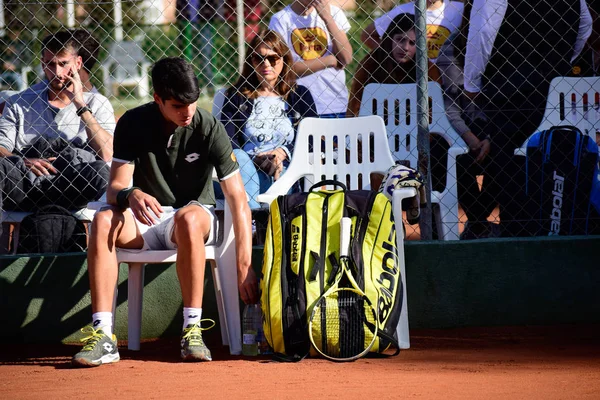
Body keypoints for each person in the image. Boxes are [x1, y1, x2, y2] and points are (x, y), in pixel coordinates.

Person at [72, 57, 258, 367]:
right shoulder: (132, 122)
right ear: (158, 98)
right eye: (177, 105)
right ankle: (104, 336)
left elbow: (238, 198)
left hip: (192, 219)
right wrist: (131, 194)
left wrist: (244, 264)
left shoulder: (209, 126)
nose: (187, 112)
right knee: (103, 219)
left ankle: (192, 331)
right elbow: (115, 188)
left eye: (193, 103)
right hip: (145, 221)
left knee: (188, 217)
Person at [463, 0, 592, 236]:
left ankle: (516, 235)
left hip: (507, 87)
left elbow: (483, 31)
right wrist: (560, 64)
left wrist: (472, 82)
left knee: (509, 164)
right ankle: (551, 230)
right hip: (552, 87)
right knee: (550, 157)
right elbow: (585, 25)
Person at [0, 30, 114, 213]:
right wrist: (22, 161)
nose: (57, 72)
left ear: (78, 63)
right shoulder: (19, 102)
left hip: (73, 185)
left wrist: (80, 105)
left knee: (102, 172)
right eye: (50, 64)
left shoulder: (97, 103)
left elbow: (108, 154)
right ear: (43, 64)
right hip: (26, 184)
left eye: (63, 64)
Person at [219, 30, 317, 209]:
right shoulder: (236, 96)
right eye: (258, 58)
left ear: (284, 60)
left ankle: (251, 223)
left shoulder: (300, 95)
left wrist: (283, 152)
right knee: (239, 157)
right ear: (251, 61)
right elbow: (227, 140)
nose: (266, 64)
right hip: (246, 168)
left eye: (272, 59)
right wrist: (255, 158)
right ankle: (254, 223)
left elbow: (315, 139)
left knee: (281, 174)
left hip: (286, 169)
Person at [347, 13, 442, 117]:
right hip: (376, 126)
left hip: (416, 127)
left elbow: (435, 112)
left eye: (412, 43)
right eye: (400, 40)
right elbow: (355, 107)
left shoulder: (426, 67)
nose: (405, 47)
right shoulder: (372, 62)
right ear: (389, 38)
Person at [269, 0, 353, 118]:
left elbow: (346, 58)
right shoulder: (281, 19)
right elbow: (285, 69)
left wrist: (327, 18)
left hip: (336, 103)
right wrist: (329, 61)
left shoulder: (334, 13)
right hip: (299, 106)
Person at [361, 0, 464, 63]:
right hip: (411, 78)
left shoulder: (459, 9)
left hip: (449, 77)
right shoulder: (403, 10)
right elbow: (367, 35)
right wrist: (389, 55)